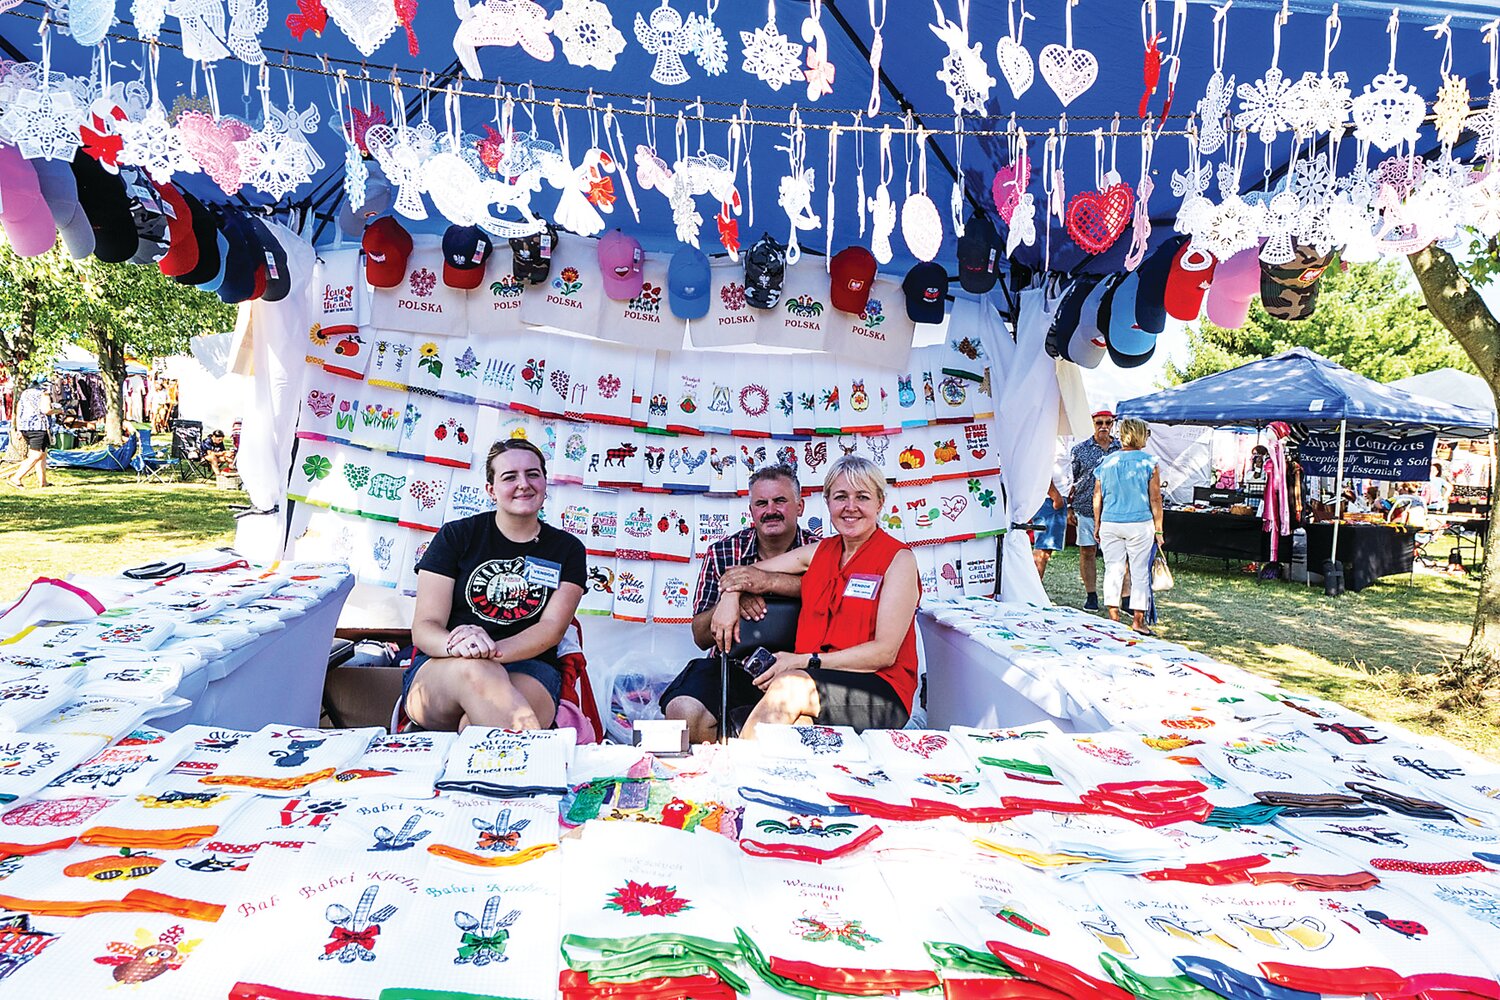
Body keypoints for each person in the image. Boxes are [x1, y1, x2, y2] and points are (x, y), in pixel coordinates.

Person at [712, 456, 920, 737]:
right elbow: (743, 572)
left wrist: (803, 662)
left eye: (862, 497)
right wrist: (730, 597)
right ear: (828, 503)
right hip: (816, 680)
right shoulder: (819, 551)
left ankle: (733, 771)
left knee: (788, 689)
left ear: (880, 503)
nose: (850, 507)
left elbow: (884, 653)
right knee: (795, 728)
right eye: (840, 497)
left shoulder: (899, 559)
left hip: (878, 688)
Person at [401, 439, 586, 731]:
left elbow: (551, 630)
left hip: (530, 667)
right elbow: (425, 627)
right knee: (477, 673)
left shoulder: (567, 549)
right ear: (491, 490)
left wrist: (489, 650)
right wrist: (465, 650)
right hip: (448, 663)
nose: (523, 484)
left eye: (533, 474)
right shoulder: (456, 537)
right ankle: (538, 769)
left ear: (545, 483)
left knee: (474, 727)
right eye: (510, 477)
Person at [658, 464, 817, 743]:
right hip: (732, 667)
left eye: (780, 500)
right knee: (684, 711)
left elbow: (833, 599)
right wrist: (729, 600)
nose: (771, 510)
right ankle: (707, 782)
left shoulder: (824, 551)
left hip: (798, 669)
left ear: (800, 506)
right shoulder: (722, 552)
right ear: (751, 511)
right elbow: (700, 636)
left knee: (799, 728)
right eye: (761, 503)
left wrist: (755, 584)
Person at [1093, 418, 1164, 636]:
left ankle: (1113, 617)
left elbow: (1098, 496)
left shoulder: (1107, 462)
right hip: (1139, 524)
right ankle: (1138, 621)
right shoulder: (1149, 462)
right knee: (1139, 571)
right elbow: (1155, 499)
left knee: (1113, 569)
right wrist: (1159, 529)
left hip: (1111, 521)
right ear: (1141, 435)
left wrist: (1097, 523)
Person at [1069, 410, 1121, 610]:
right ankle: (1091, 594)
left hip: (1114, 510)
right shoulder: (1080, 450)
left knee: (1117, 555)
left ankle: (1118, 596)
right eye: (1099, 422)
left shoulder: (1121, 448)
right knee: (1087, 551)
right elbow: (1070, 480)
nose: (1104, 427)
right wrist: (1069, 507)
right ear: (1092, 423)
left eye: (1108, 422)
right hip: (1086, 508)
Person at [7, 377, 58, 489]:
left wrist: (19, 428)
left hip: (26, 427)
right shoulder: (44, 394)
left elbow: (19, 409)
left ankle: (43, 482)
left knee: (42, 454)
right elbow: (46, 410)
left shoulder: (25, 393)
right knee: (37, 455)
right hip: (39, 427)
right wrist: (59, 410)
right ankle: (16, 478)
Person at [1031, 442, 1071, 580]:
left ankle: (1034, 589)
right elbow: (1041, 470)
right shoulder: (1048, 438)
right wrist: (1055, 496)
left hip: (1058, 497)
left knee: (1046, 550)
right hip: (1049, 499)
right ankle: (1032, 591)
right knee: (1042, 549)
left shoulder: (1066, 436)